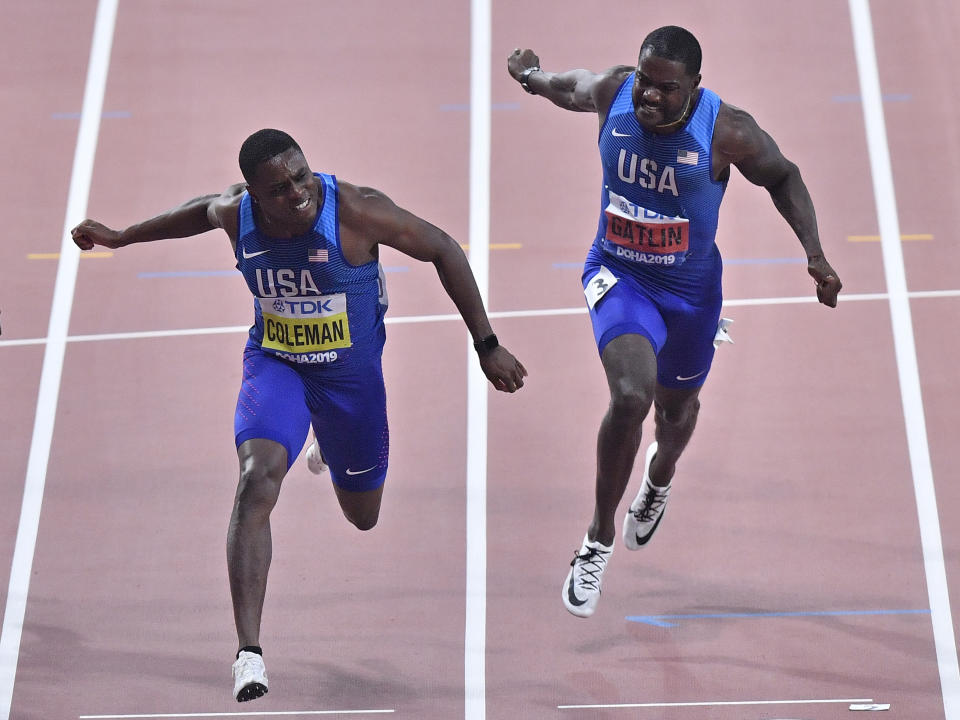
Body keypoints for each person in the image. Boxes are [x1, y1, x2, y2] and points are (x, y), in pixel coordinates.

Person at [71, 128, 528, 700]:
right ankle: (249, 653)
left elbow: (442, 248)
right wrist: (122, 237)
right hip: (277, 363)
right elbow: (198, 212)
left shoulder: (358, 210)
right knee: (255, 480)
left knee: (363, 517)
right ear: (254, 195)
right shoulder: (238, 215)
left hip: (349, 378)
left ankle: (324, 441)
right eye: (280, 189)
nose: (298, 193)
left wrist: (487, 345)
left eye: (302, 176)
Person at [507, 26, 841, 618]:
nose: (649, 97)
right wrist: (532, 79)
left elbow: (784, 176)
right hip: (620, 277)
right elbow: (572, 86)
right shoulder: (615, 93)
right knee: (631, 395)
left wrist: (813, 253)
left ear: (694, 86)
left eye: (665, 88)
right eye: (644, 82)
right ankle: (598, 538)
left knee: (676, 411)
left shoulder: (726, 130)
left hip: (690, 295)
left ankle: (659, 477)